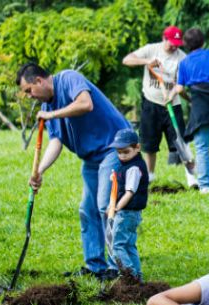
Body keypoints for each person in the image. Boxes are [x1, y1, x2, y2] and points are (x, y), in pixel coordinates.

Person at [16, 62, 132, 281]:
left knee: (104, 205)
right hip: (92, 157)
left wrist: (52, 115)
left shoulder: (68, 79)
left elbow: (85, 104)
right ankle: (95, 266)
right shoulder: (48, 107)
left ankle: (117, 267)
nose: (30, 96)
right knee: (87, 210)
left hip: (115, 148)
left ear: (39, 80)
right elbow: (56, 142)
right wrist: (39, 171)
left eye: (29, 90)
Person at [122, 25, 196, 187]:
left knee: (181, 142)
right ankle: (150, 176)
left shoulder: (182, 58)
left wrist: (174, 95)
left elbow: (180, 85)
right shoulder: (151, 49)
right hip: (151, 103)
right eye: (172, 43)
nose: (174, 46)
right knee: (149, 143)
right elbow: (126, 60)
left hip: (173, 104)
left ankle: (192, 178)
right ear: (164, 38)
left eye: (177, 44)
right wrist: (146, 61)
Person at [169, 28, 209, 194]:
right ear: (203, 42)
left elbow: (179, 89)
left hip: (199, 104)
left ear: (186, 44)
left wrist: (190, 99)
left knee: (202, 145)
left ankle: (204, 185)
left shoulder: (184, 63)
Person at [106, 129, 149, 280]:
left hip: (127, 213)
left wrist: (117, 207)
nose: (122, 156)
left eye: (126, 152)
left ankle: (129, 275)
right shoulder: (126, 165)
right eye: (119, 152)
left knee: (116, 245)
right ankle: (137, 278)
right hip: (130, 213)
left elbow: (130, 192)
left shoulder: (134, 168)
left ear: (137, 148)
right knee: (129, 245)